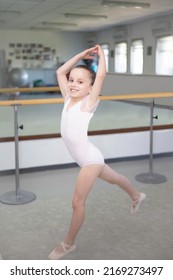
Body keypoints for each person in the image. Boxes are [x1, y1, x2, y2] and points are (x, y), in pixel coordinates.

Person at [48, 45, 146, 260]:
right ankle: (137, 196)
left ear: (91, 88)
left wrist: (101, 55)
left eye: (80, 82)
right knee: (115, 179)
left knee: (77, 202)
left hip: (89, 161)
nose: (73, 84)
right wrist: (81, 55)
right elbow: (59, 72)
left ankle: (68, 244)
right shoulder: (67, 98)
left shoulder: (87, 103)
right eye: (72, 80)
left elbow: (100, 74)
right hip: (91, 157)